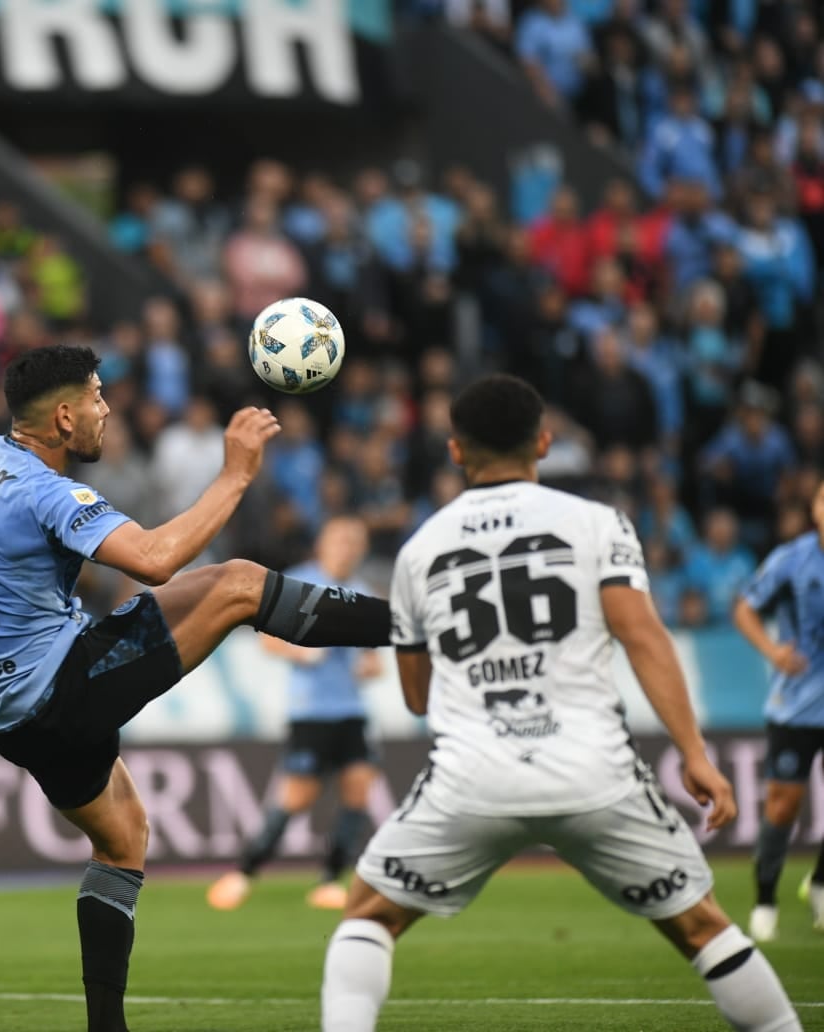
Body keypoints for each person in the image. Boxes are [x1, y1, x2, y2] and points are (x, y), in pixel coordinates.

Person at [0, 344, 391, 1032]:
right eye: (98, 398)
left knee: (124, 839)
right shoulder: (48, 489)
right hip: (56, 694)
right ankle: (413, 623)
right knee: (238, 584)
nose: (108, 411)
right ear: (65, 417)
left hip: (1, 715)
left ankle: (107, 1028)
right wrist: (235, 475)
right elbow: (154, 561)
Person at [319, 374, 802, 1032]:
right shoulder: (598, 524)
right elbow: (643, 637)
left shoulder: (418, 551)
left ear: (456, 452)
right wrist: (694, 754)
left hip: (472, 779)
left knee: (369, 915)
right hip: (594, 773)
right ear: (544, 442)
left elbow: (415, 695)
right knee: (701, 926)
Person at [207, 515, 384, 913]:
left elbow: (373, 660)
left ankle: (330, 880)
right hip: (312, 711)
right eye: (340, 540)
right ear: (322, 544)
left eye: (354, 542)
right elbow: (267, 638)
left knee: (358, 789)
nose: (347, 548)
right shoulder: (300, 582)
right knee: (297, 798)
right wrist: (299, 652)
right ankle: (244, 871)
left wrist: (370, 668)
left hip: (351, 709)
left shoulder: (360, 591)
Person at [732, 479, 824, 941]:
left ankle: (821, 883)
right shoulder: (792, 559)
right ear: (815, 507)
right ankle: (765, 897)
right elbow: (745, 608)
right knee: (784, 804)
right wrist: (773, 651)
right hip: (797, 705)